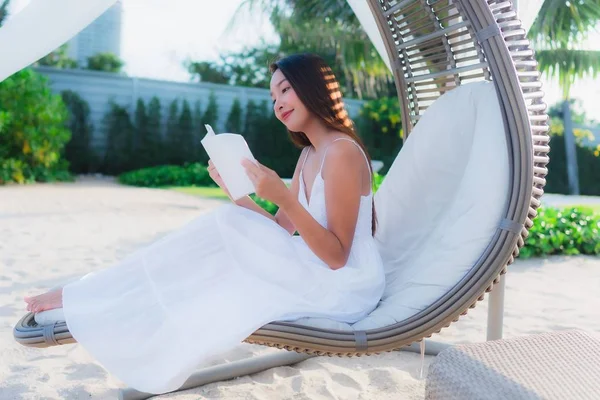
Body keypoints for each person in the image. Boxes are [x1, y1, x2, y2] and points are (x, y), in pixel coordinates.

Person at [23, 53, 386, 394]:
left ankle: (94, 297)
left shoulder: (341, 151)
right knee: (229, 224)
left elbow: (337, 256)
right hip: (314, 268)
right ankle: (100, 293)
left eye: (285, 89)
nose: (277, 102)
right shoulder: (309, 154)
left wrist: (284, 196)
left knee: (223, 244)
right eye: (272, 95)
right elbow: (280, 231)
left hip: (345, 286)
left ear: (314, 88)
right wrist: (237, 195)